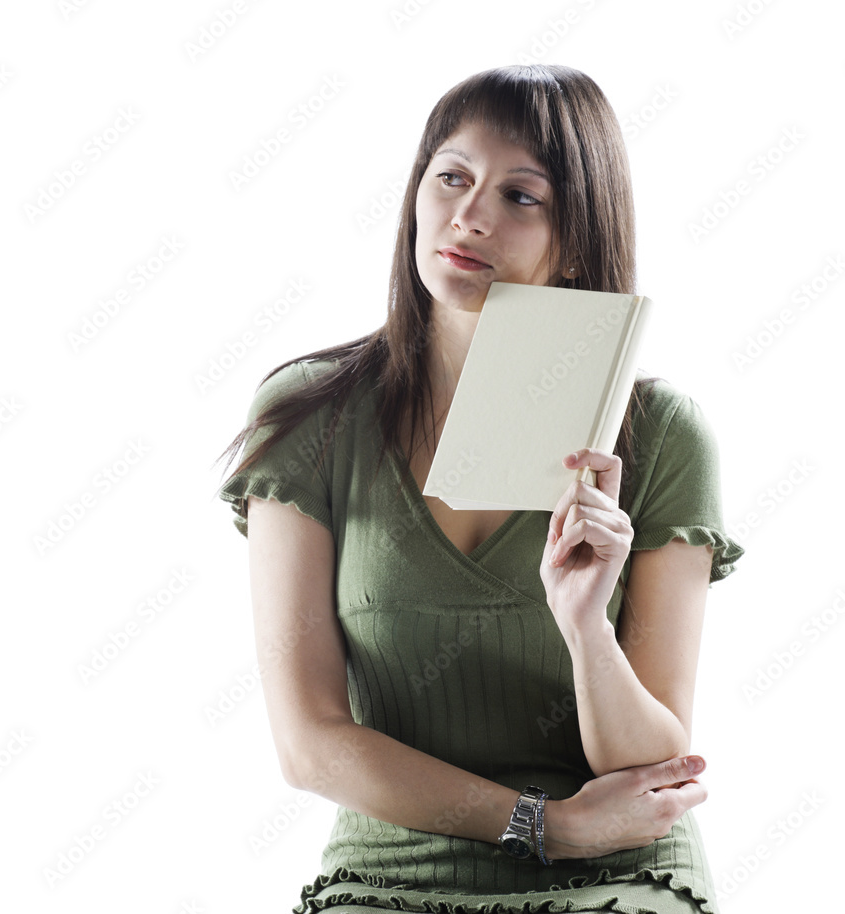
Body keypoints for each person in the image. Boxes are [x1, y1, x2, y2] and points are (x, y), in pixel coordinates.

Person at [214, 64, 744, 914]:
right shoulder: (310, 418)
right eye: (452, 177)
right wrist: (543, 824)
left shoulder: (663, 435)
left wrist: (586, 628)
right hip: (389, 873)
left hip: (616, 873)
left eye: (521, 197)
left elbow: (651, 764)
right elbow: (309, 742)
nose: (469, 215)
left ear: (577, 235)